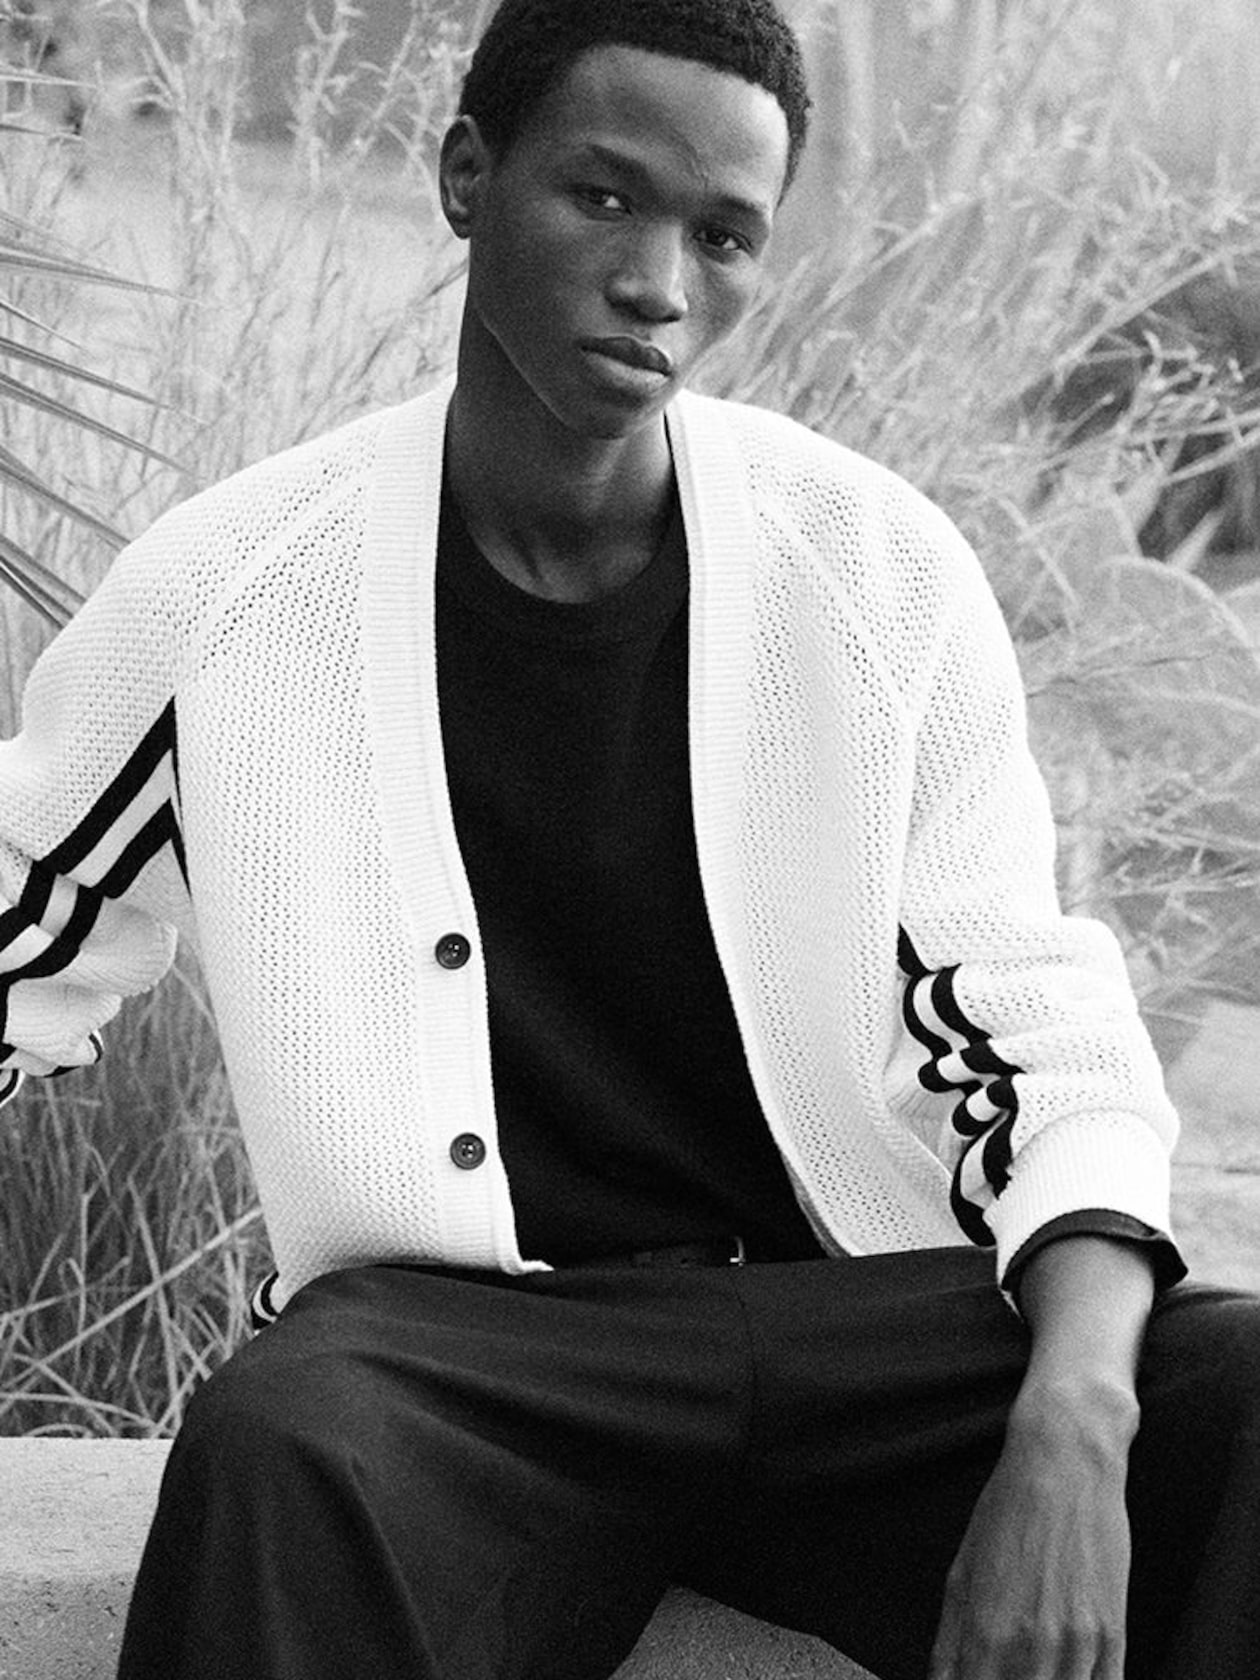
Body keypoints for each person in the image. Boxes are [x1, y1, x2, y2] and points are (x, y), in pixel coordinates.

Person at [1, 2, 1257, 1676]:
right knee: (286, 1438)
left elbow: (1043, 1036)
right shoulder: (230, 594)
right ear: (467, 176)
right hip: (472, 1368)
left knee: (1240, 1394)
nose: (661, 280)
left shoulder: (875, 571)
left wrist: (1075, 1425)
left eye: (723, 235)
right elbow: (20, 949)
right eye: (603, 197)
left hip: (859, 1343)